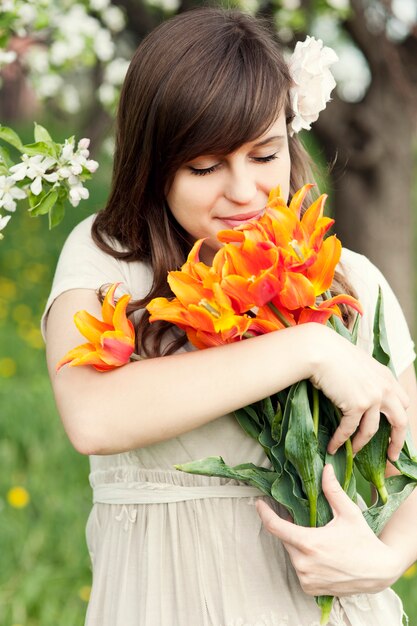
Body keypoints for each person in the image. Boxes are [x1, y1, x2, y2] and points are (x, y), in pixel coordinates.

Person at [42, 8, 417, 626]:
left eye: (265, 155)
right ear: (153, 165)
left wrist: (385, 561)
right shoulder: (109, 261)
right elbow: (93, 415)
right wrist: (309, 350)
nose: (244, 192)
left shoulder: (351, 279)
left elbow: (410, 459)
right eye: (205, 168)